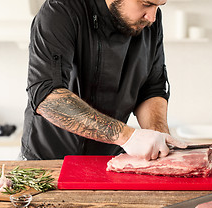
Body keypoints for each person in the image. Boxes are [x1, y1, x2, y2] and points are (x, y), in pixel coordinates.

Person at [20, 0, 187, 161]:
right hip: (47, 162)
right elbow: (46, 96)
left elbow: (152, 89)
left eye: (158, 6)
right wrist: (127, 136)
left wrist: (159, 137)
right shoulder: (61, 10)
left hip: (108, 161)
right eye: (146, 4)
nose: (152, 17)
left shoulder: (149, 23)